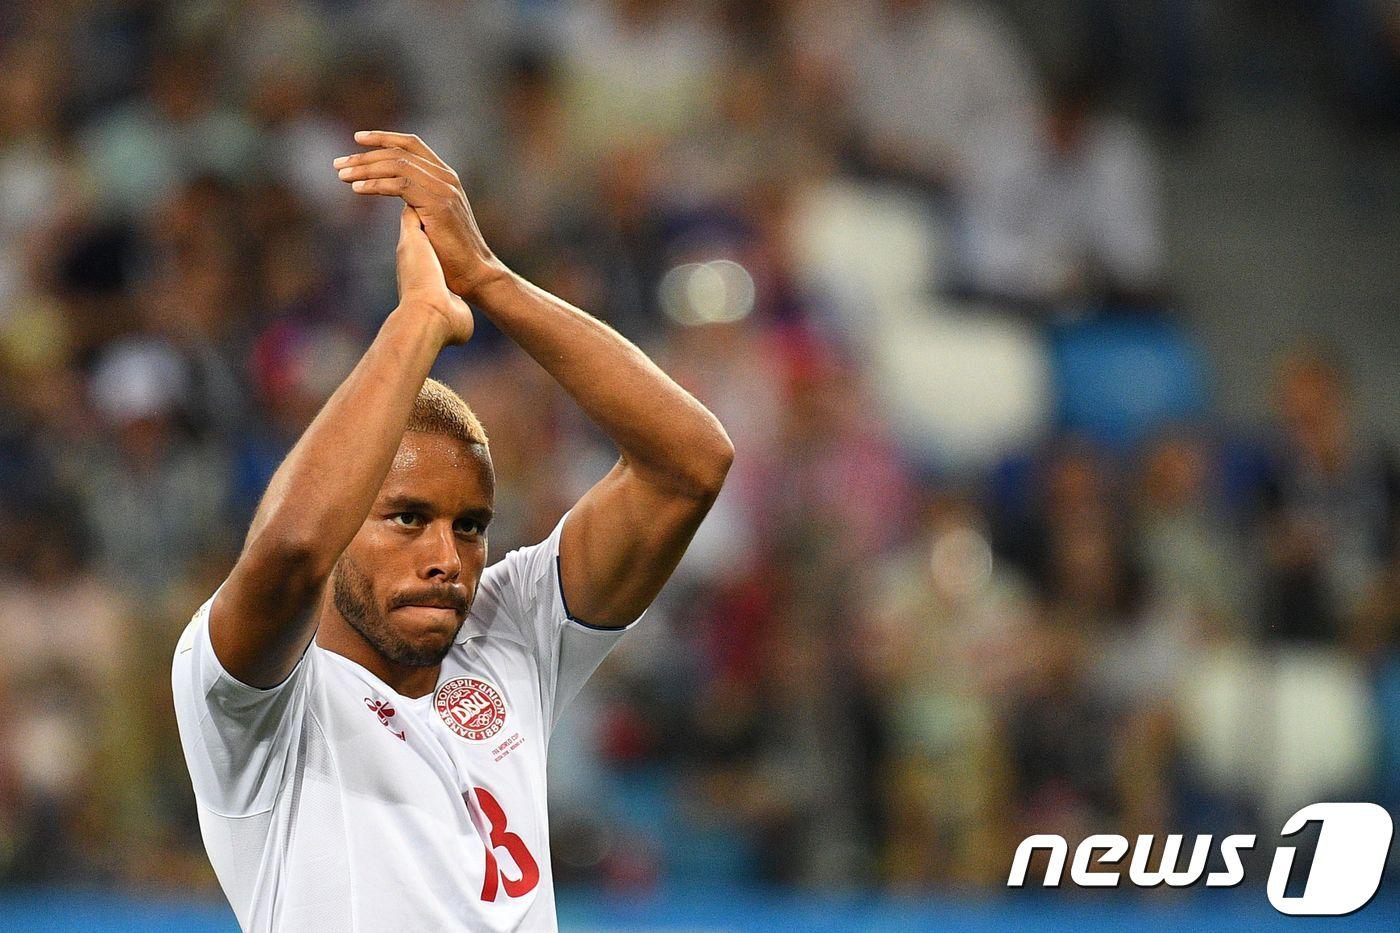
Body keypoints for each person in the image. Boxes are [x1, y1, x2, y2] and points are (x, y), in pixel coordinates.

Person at [171, 130, 733, 931]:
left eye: (470, 525)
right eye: (406, 518)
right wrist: (421, 319)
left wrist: (488, 280)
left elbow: (691, 464)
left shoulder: (510, 638)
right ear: (343, 517)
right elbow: (292, 549)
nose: (447, 559)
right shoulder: (251, 699)